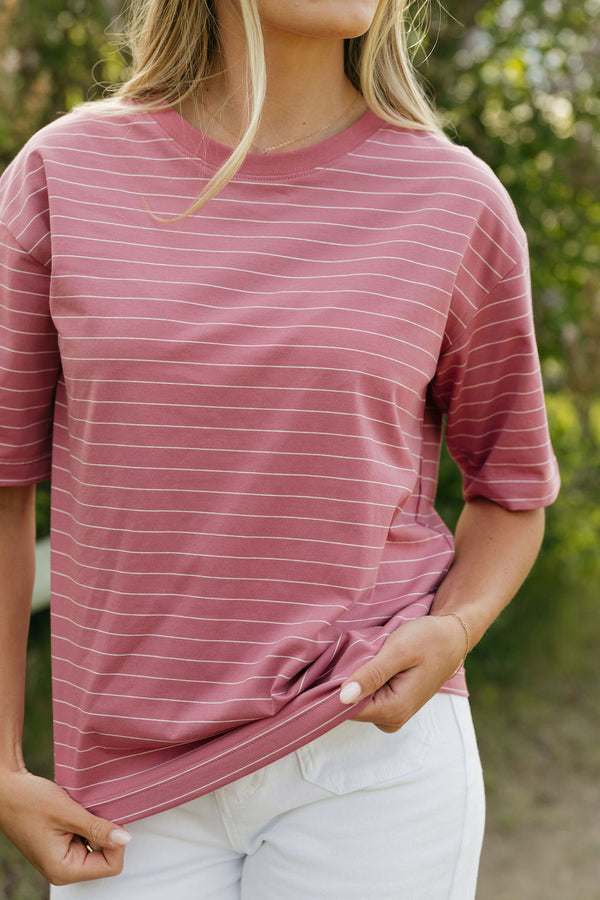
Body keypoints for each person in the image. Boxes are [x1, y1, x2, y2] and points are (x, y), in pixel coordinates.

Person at [0, 1, 560, 897]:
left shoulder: (454, 200)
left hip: (366, 752)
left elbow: (514, 487)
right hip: (123, 797)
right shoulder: (63, 174)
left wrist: (455, 627)